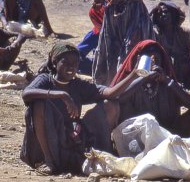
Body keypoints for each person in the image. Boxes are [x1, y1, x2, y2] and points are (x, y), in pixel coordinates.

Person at [20, 42, 144, 174]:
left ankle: (100, 155)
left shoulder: (78, 85)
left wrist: (135, 75)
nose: (71, 66)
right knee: (38, 103)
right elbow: (26, 94)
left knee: (110, 105)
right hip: (46, 145)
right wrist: (61, 95)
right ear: (55, 62)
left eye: (75, 63)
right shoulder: (45, 80)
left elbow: (111, 93)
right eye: (65, 62)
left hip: (71, 140)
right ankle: (49, 161)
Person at [111, 40, 190, 137]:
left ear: (162, 62)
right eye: (149, 61)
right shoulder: (134, 85)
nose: (153, 64)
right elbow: (118, 99)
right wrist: (142, 77)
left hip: (170, 133)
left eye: (156, 60)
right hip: (144, 138)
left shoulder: (167, 83)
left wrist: (167, 81)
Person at [150, 1, 190, 89]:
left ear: (173, 14)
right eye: (159, 13)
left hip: (183, 75)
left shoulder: (184, 33)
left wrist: (189, 79)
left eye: (166, 12)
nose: (163, 15)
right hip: (163, 76)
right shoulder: (156, 34)